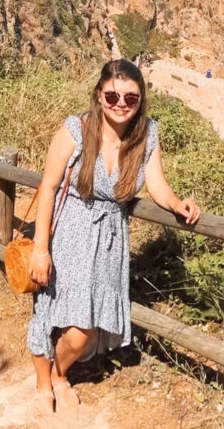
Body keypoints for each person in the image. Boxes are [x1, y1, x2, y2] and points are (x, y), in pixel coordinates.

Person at [26, 59, 200, 420]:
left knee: (84, 327)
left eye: (130, 98)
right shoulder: (75, 130)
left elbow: (157, 185)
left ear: (140, 101)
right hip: (71, 234)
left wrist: (176, 203)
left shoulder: (147, 135)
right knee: (56, 315)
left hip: (111, 241)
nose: (121, 103)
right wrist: (41, 249)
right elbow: (48, 187)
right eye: (113, 95)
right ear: (99, 95)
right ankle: (45, 385)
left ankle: (59, 375)